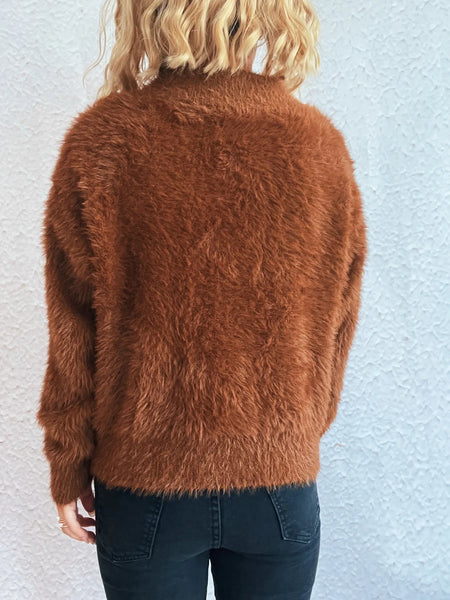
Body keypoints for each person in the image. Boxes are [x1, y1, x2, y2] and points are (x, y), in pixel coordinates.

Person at [36, 1, 368, 598]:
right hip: (279, 487)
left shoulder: (104, 142)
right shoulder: (319, 149)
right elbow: (336, 328)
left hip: (146, 485)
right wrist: (292, 438)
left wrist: (68, 463)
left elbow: (73, 329)